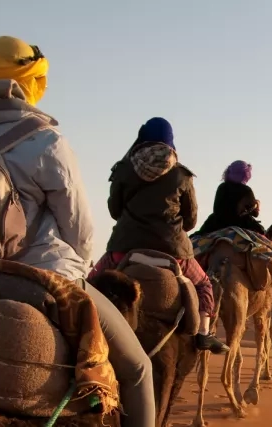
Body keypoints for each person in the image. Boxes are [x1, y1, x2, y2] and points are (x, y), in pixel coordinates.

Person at [0, 35, 153, 427]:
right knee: (139, 368)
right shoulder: (45, 139)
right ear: (30, 80)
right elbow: (78, 227)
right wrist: (76, 272)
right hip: (50, 274)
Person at [89, 117, 230, 354]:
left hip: (124, 247)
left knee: (91, 282)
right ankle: (204, 333)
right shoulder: (181, 175)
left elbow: (115, 211)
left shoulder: (124, 170)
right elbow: (191, 220)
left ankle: (82, 327)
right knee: (204, 284)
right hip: (174, 251)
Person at [195, 160, 266, 236]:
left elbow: (216, 209)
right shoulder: (247, 191)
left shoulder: (221, 187)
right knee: (264, 235)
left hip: (216, 223)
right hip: (241, 223)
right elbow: (255, 213)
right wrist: (257, 205)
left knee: (196, 238)